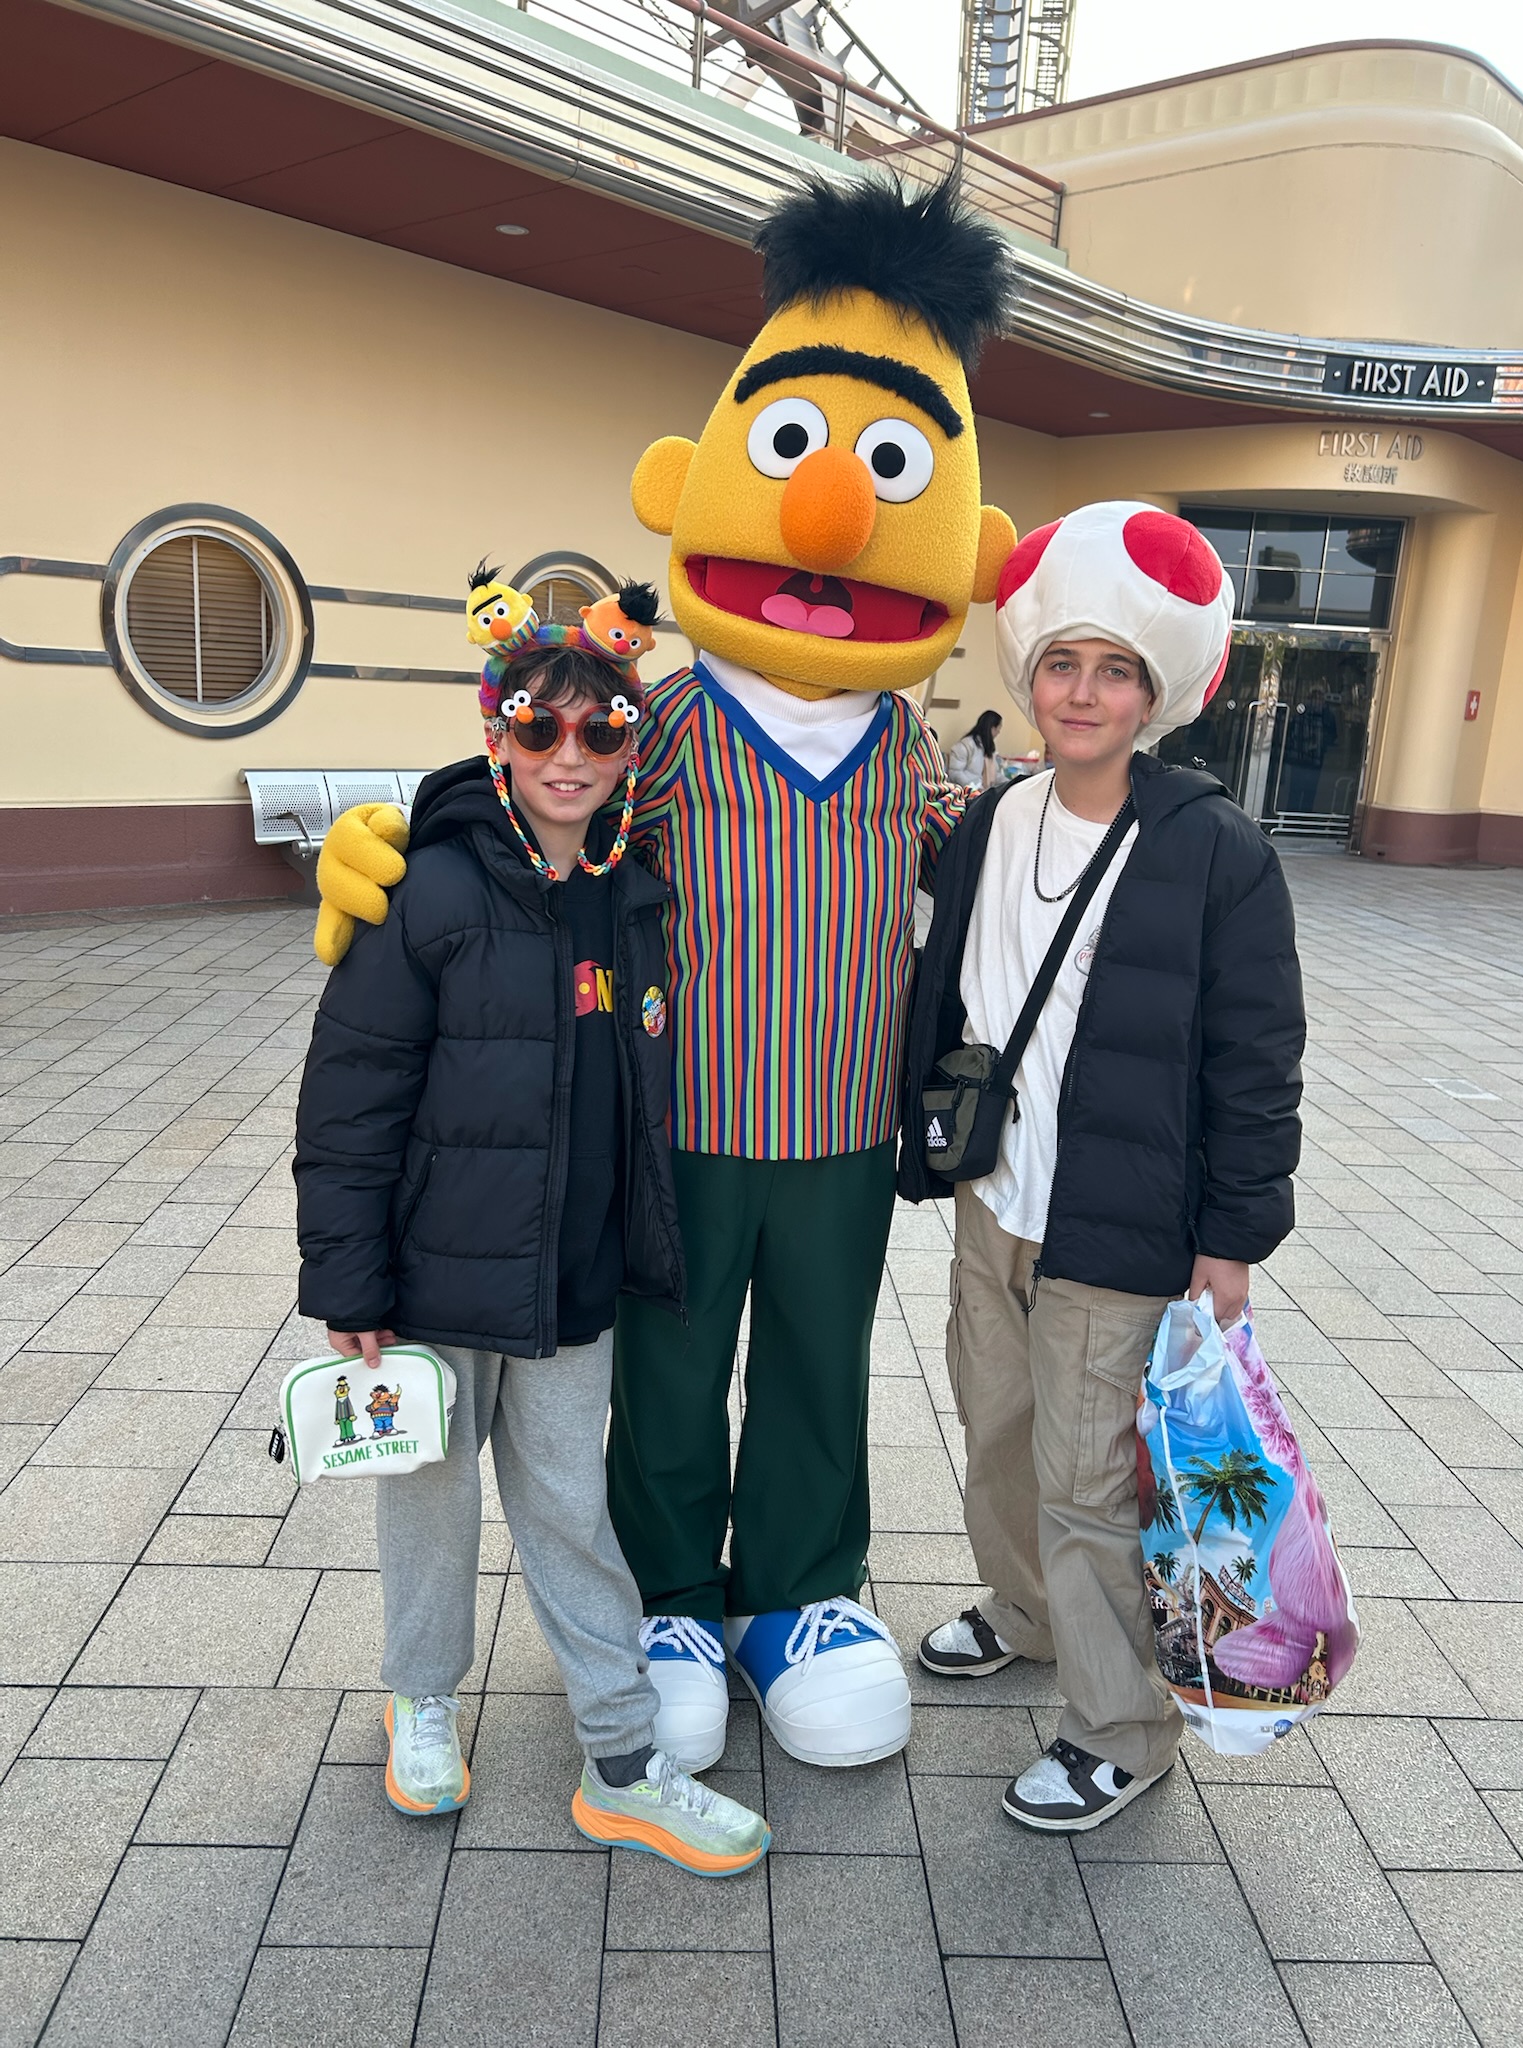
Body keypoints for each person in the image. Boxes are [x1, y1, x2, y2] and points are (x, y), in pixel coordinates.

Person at [309, 173, 1019, 1776]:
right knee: (673, 1372)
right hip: (677, 1122)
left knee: (822, 1367)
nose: (830, 525)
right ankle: (675, 1598)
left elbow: (984, 867)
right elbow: (533, 803)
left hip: (844, 1133)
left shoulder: (909, 745)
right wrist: (402, 839)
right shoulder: (671, 721)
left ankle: (805, 1591)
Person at [293, 609, 770, 1876]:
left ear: (630, 744)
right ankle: (420, 1698)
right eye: (539, 724)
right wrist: (347, 1276)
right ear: (496, 734)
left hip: (571, 1279)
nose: (570, 752)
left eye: (601, 729)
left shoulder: (634, 889)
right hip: (433, 1284)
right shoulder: (428, 888)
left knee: (571, 1510)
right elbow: (350, 1096)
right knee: (432, 1501)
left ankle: (622, 1760)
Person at [901, 501, 1305, 1833]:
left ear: (1157, 691)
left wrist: (1230, 1242)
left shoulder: (1214, 851)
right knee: (997, 1432)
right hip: (996, 1200)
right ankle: (1027, 1612)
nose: (1082, 692)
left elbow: (1257, 1060)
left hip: (1121, 1222)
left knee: (1088, 1481)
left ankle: (1120, 1726)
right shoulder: (990, 821)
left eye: (1114, 670)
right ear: (1030, 675)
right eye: (1062, 663)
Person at [946, 709, 1003, 790]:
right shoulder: (966, 745)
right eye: (998, 728)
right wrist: (973, 788)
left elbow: (995, 774)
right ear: (992, 728)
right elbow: (955, 773)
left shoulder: (988, 747)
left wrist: (1011, 783)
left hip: (983, 791)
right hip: (966, 792)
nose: (998, 732)